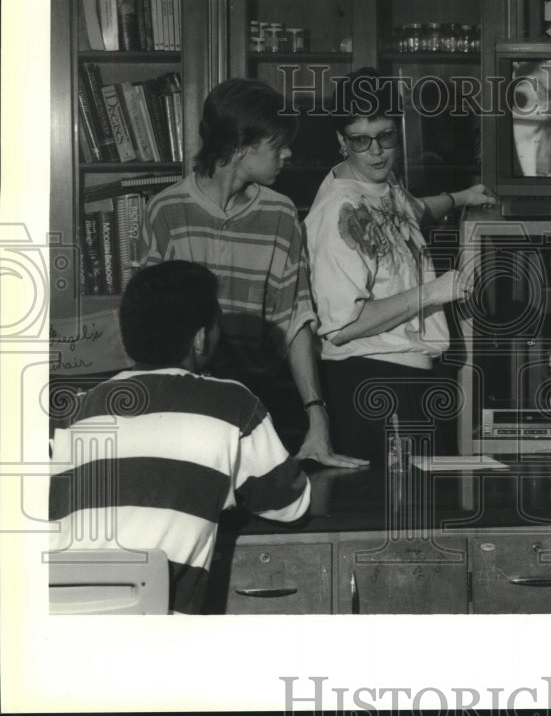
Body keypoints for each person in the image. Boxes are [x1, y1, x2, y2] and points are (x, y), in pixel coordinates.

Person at [49, 261, 312, 614]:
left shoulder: (76, 412)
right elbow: (290, 507)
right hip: (161, 639)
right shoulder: (233, 404)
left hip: (66, 634)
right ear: (201, 337)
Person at [139, 78, 365, 469]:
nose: (289, 153)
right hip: (176, 412)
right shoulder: (166, 212)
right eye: (278, 145)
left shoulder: (281, 215)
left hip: (255, 410)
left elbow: (295, 318)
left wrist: (316, 413)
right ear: (239, 147)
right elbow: (145, 328)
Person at [304, 68, 495, 467]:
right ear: (342, 141)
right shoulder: (339, 210)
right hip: (373, 383)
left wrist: (462, 197)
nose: (376, 151)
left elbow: (413, 212)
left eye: (385, 137)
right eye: (361, 141)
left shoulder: (381, 184)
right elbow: (341, 326)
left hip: (406, 377)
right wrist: (433, 293)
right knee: (394, 511)